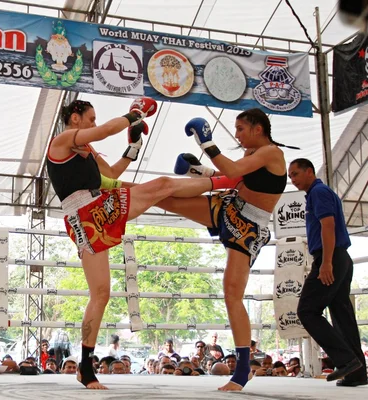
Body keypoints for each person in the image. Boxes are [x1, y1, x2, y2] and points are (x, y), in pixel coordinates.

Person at [47, 96, 191, 389]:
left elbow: (110, 175)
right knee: (98, 293)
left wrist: (133, 146)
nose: (94, 123)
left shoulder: (87, 149)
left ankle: (220, 185)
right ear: (75, 117)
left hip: (99, 209)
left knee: (102, 293)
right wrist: (134, 113)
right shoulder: (62, 141)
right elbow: (103, 131)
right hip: (82, 216)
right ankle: (86, 369)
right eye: (91, 117)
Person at [159, 108, 294, 390]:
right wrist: (199, 170)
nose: (237, 134)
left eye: (241, 128)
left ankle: (242, 371)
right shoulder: (251, 155)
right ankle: (114, 190)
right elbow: (234, 179)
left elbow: (232, 171)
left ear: (258, 129)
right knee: (165, 197)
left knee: (232, 294)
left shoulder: (271, 153)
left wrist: (206, 143)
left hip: (249, 227)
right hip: (230, 207)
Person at [288, 158, 368, 387]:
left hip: (330, 256)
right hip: (340, 256)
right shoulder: (321, 192)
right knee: (341, 313)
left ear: (309, 172)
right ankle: (357, 372)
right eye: (290, 176)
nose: (292, 180)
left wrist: (326, 263)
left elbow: (328, 225)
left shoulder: (319, 192)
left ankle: (345, 361)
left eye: (295, 174)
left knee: (307, 310)